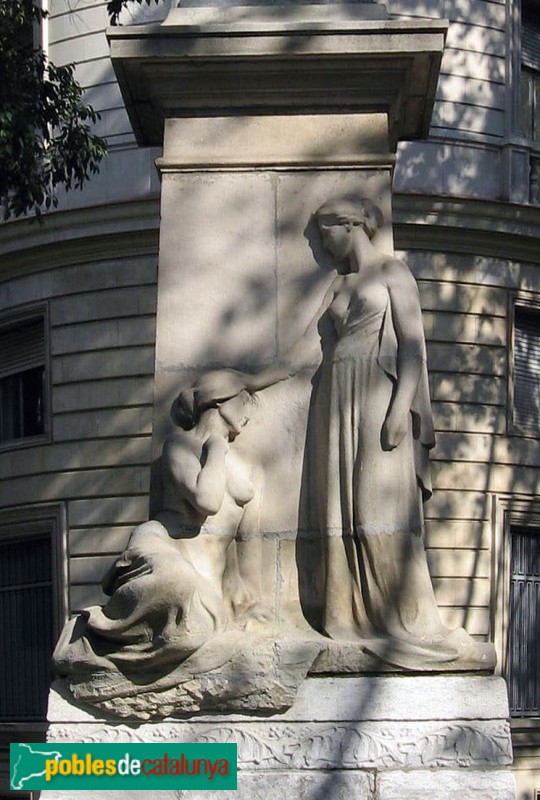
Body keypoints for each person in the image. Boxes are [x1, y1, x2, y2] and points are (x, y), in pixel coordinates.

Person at [54, 370, 268, 677]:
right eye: (244, 401)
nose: (248, 413)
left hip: (205, 571)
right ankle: (90, 638)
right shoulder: (180, 446)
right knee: (181, 591)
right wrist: (217, 449)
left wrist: (249, 599)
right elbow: (208, 501)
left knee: (196, 628)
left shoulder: (250, 468)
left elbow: (246, 539)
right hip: (163, 546)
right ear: (220, 401)